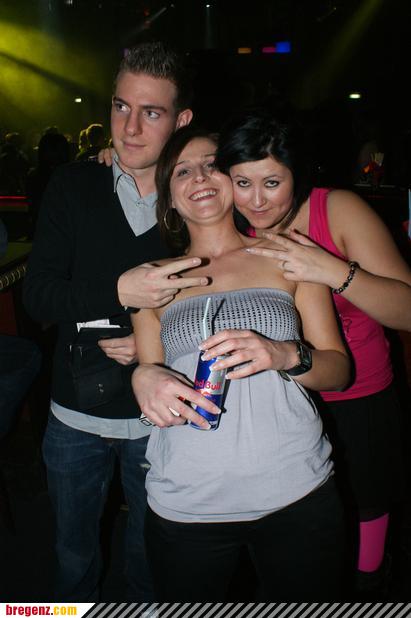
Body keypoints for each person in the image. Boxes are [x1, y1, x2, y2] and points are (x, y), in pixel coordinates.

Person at [131, 125, 351, 601]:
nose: (199, 177)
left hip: (296, 490)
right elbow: (150, 382)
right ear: (169, 200)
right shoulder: (150, 283)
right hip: (188, 500)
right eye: (182, 172)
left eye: (211, 165)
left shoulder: (287, 256)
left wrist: (283, 353)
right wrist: (143, 378)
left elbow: (338, 370)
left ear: (233, 178)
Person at [22, 41, 208, 602]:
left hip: (164, 420)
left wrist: (150, 339)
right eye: (121, 106)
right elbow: (38, 297)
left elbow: (218, 292)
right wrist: (117, 293)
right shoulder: (74, 184)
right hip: (75, 414)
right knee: (72, 558)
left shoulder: (196, 195)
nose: (129, 128)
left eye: (151, 112)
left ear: (180, 120)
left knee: (153, 559)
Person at [214, 108, 411, 597]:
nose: (256, 201)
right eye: (243, 182)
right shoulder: (225, 223)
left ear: (297, 175)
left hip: (356, 399)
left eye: (272, 182)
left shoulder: (337, 209)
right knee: (296, 549)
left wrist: (331, 270)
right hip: (273, 408)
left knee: (365, 540)